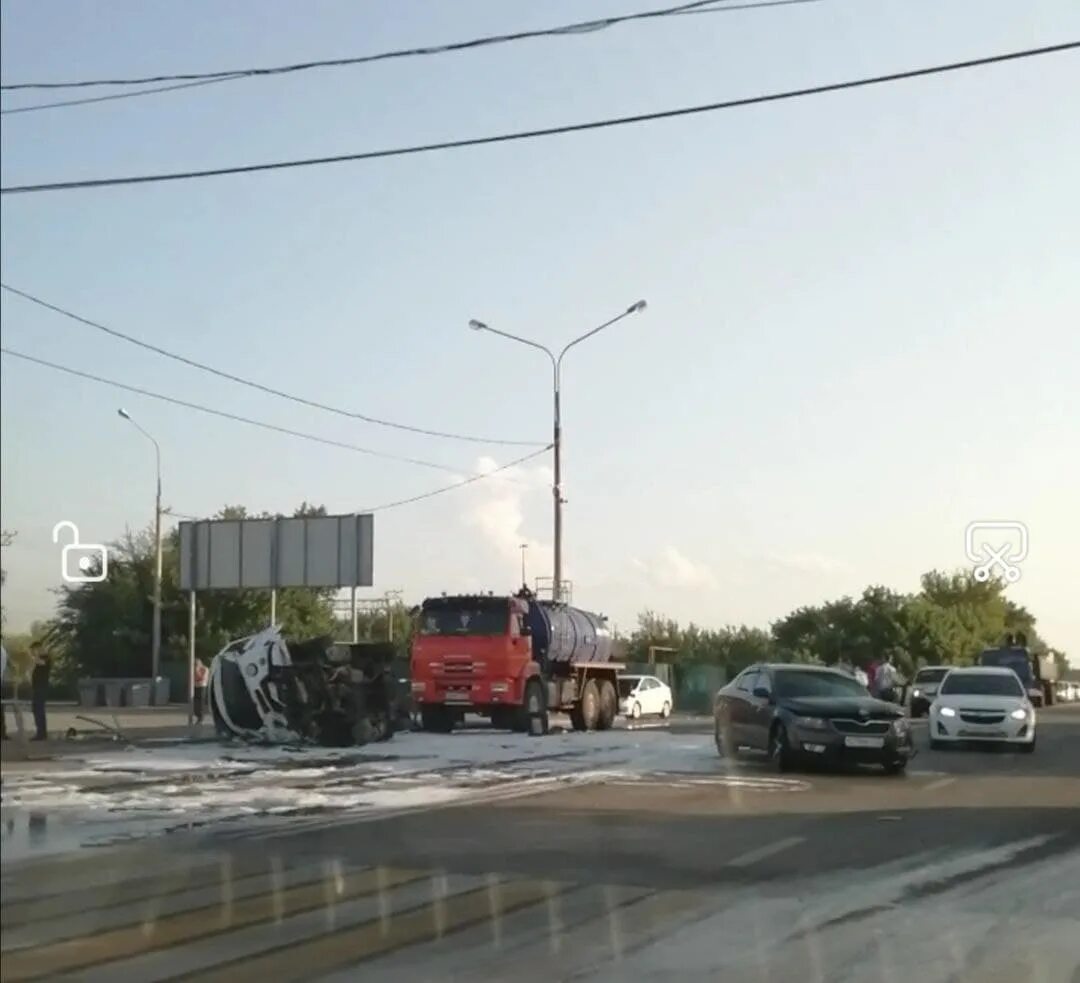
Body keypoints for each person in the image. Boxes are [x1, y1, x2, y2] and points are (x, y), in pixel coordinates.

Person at [30, 643, 51, 741]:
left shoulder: (46, 658)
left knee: (39, 710)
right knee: (36, 709)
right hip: (37, 688)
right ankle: (40, 732)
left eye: (34, 649)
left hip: (41, 688)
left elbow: (41, 662)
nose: (33, 652)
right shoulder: (41, 658)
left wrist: (35, 655)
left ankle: (41, 734)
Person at [193, 657, 209, 725]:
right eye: (195, 664)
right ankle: (198, 716)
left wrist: (196, 671)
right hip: (195, 686)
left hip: (202, 687)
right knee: (195, 703)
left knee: (201, 703)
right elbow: (194, 678)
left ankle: (201, 718)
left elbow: (201, 678)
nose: (196, 665)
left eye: (197, 663)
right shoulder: (194, 669)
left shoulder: (205, 669)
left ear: (200, 663)